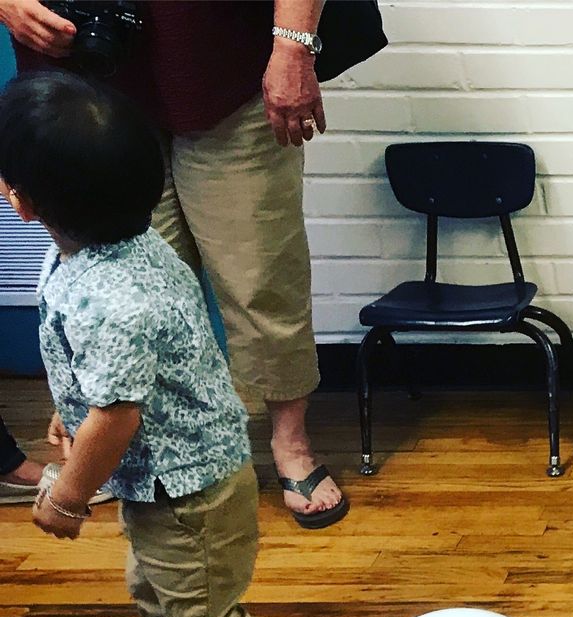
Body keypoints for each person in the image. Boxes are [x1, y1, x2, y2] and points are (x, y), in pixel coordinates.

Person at [2, 71, 333, 617]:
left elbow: (118, 413)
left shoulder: (117, 298)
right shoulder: (99, 251)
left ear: (26, 204)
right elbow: (102, 376)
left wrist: (67, 494)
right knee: (153, 592)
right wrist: (69, 410)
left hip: (191, 494)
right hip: (157, 484)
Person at [0, 0, 348, 528]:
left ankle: (290, 443)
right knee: (120, 284)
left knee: (258, 270)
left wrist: (292, 45)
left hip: (223, 63)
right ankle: (129, 462)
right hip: (81, 73)